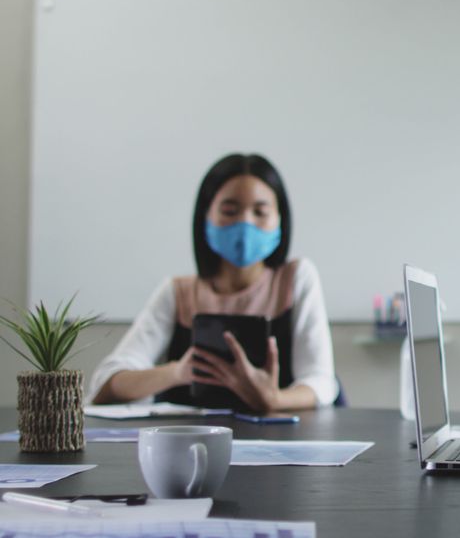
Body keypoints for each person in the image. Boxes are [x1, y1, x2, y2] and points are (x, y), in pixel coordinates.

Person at [90, 154, 339, 412]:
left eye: (260, 212)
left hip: (281, 441)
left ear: (280, 220)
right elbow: (108, 381)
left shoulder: (297, 279)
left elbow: (320, 383)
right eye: (230, 211)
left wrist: (273, 399)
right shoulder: (178, 292)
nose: (245, 223)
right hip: (192, 445)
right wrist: (178, 372)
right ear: (205, 216)